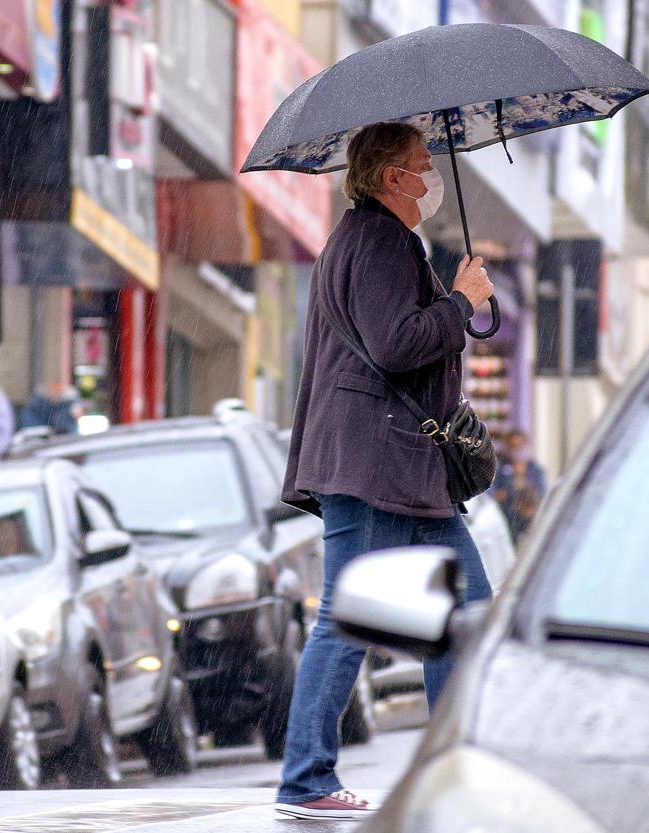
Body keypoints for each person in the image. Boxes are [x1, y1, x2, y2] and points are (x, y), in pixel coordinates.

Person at [274, 121, 496, 821]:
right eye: (422, 163)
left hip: (402, 465)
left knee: (463, 615)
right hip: (374, 459)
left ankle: (451, 769)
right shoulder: (376, 239)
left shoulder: (385, 241)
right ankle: (306, 779)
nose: (432, 174)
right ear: (391, 176)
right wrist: (461, 302)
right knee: (347, 618)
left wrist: (455, 298)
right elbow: (396, 344)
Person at [492, 428, 548, 541]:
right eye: (512, 446)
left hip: (529, 522)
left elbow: (542, 496)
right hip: (504, 523)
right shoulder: (498, 469)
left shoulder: (536, 470)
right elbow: (490, 496)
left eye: (519, 446)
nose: (516, 450)